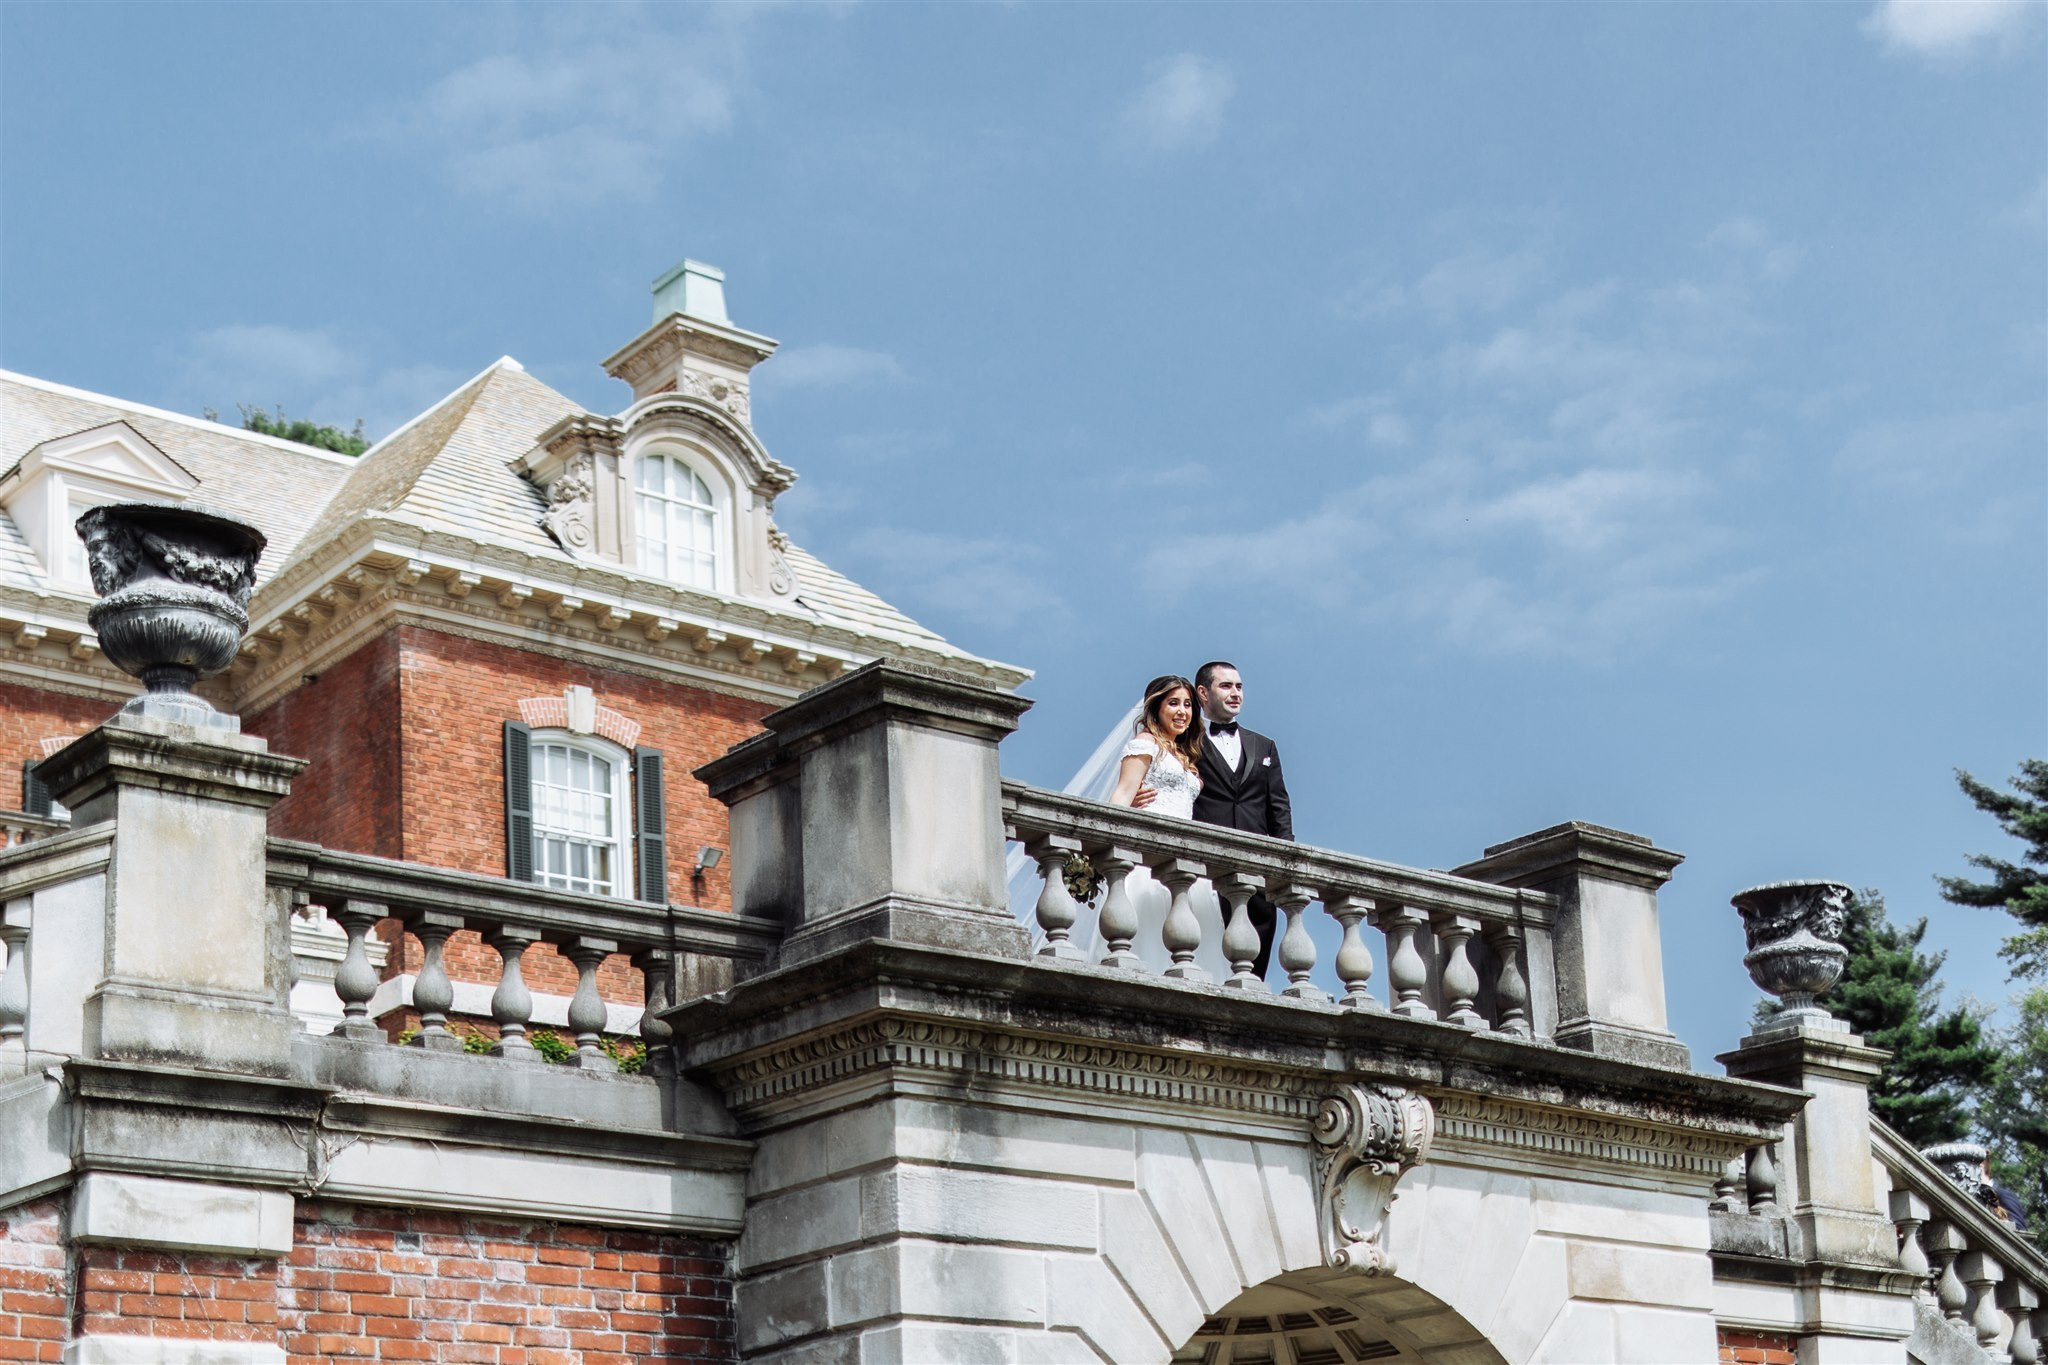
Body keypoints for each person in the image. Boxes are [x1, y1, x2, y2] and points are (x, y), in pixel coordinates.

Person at [1189, 660, 1293, 979]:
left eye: (1239, 686)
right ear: (1203, 693)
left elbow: (1278, 806)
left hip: (1258, 874)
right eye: (1226, 686)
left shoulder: (1265, 746)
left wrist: (1285, 859)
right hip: (1205, 870)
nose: (1236, 693)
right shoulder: (1185, 741)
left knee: (1252, 969)